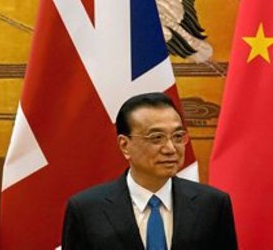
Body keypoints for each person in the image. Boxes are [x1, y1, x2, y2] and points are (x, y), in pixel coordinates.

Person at [62, 92, 237, 250]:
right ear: (125, 145)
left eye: (177, 136)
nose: (170, 148)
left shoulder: (212, 204)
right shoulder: (86, 209)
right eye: (156, 138)